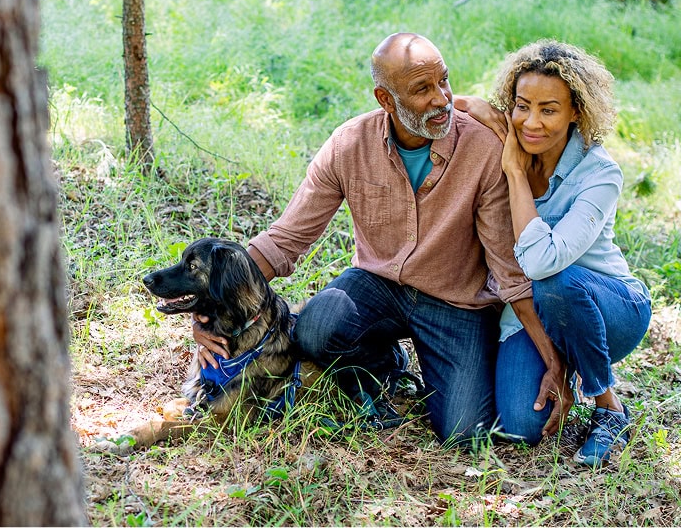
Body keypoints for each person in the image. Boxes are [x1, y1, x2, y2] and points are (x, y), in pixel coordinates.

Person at [193, 32, 555, 447]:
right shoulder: (350, 143)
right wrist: (209, 312)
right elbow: (285, 239)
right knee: (316, 329)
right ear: (385, 99)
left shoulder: (482, 148)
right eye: (422, 89)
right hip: (378, 286)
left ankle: (447, 363)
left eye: (444, 81)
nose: (442, 98)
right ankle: (386, 364)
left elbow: (509, 271)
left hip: (457, 302)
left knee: (463, 433)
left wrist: (551, 359)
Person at [456, 40, 652, 467]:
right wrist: (489, 114)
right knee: (522, 424)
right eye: (522, 106)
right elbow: (455, 101)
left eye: (549, 110)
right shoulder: (508, 137)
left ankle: (608, 407)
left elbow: (543, 262)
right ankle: (560, 360)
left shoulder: (600, 173)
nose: (532, 122)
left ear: (575, 112)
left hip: (609, 307)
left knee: (556, 279)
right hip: (539, 313)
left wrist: (515, 176)